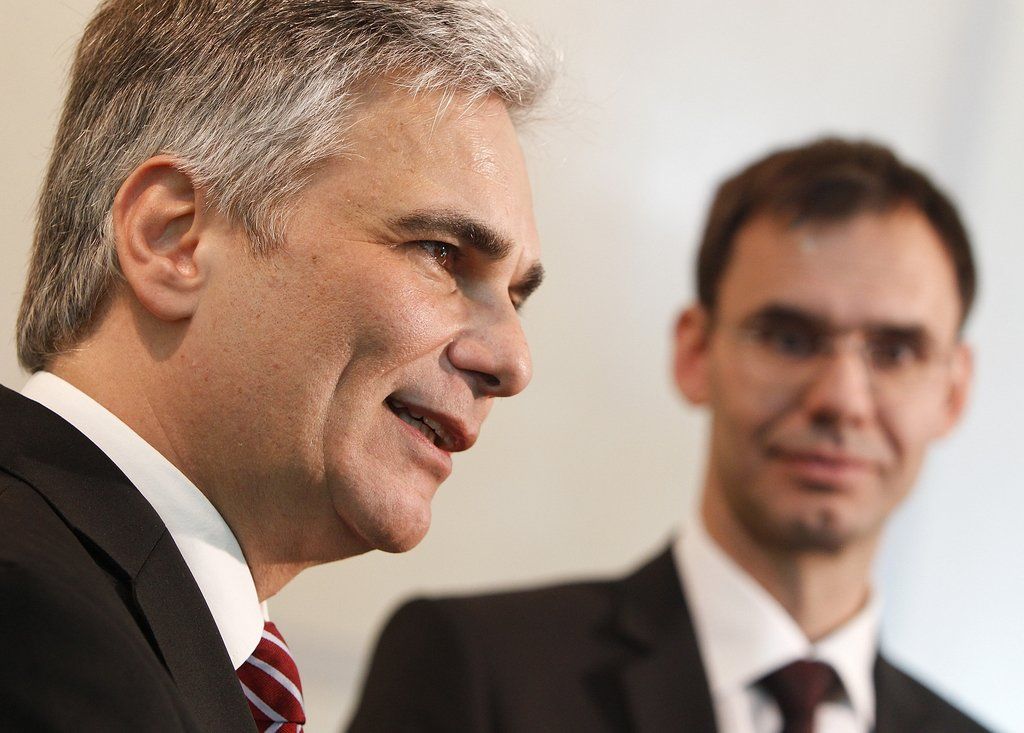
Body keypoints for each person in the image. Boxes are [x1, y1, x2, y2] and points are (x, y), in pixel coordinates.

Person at [0, 1, 552, 730]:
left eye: (516, 296)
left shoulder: (133, 630)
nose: (513, 361)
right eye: (442, 253)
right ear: (172, 240)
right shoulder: (27, 621)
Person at [349, 137, 991, 733]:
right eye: (790, 339)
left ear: (954, 392)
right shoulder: (475, 669)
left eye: (896, 352)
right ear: (694, 353)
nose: (841, 400)